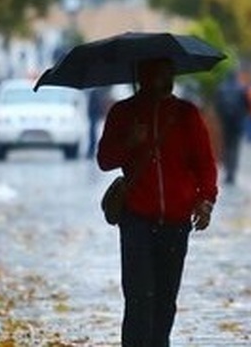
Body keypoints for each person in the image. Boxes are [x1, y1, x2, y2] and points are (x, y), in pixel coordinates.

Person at [97, 57, 219, 346]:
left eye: (166, 73)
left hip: (176, 220)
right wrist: (130, 141)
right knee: (139, 297)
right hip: (137, 217)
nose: (161, 79)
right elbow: (104, 160)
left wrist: (206, 200)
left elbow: (204, 163)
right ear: (142, 76)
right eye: (154, 73)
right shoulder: (123, 112)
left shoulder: (187, 114)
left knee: (165, 298)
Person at [214, 72, 250, 184]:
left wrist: (221, 117)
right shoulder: (241, 88)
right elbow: (247, 105)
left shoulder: (221, 88)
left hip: (226, 122)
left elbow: (217, 105)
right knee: (235, 147)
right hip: (238, 122)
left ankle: (227, 172)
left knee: (226, 146)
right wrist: (243, 116)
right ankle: (232, 173)